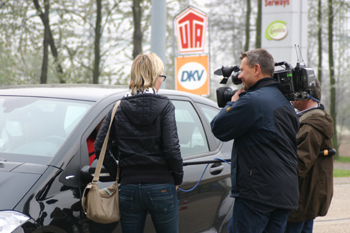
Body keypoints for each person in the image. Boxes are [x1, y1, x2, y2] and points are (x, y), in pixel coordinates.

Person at [210, 48, 300, 233]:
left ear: (256, 69)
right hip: (285, 193)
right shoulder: (285, 103)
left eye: (242, 70)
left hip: (258, 193)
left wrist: (233, 102)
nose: (239, 76)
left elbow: (218, 127)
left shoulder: (253, 100)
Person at [94, 53, 183, 233]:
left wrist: (119, 173)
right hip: (162, 186)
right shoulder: (165, 106)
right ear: (154, 77)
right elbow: (172, 149)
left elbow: (99, 146)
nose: (161, 81)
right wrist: (178, 177)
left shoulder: (117, 107)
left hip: (129, 188)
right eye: (161, 77)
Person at [285, 79, 334, 233]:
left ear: (306, 95)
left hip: (301, 201)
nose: (291, 95)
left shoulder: (310, 128)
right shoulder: (312, 120)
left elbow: (297, 166)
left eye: (295, 91)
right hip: (305, 199)